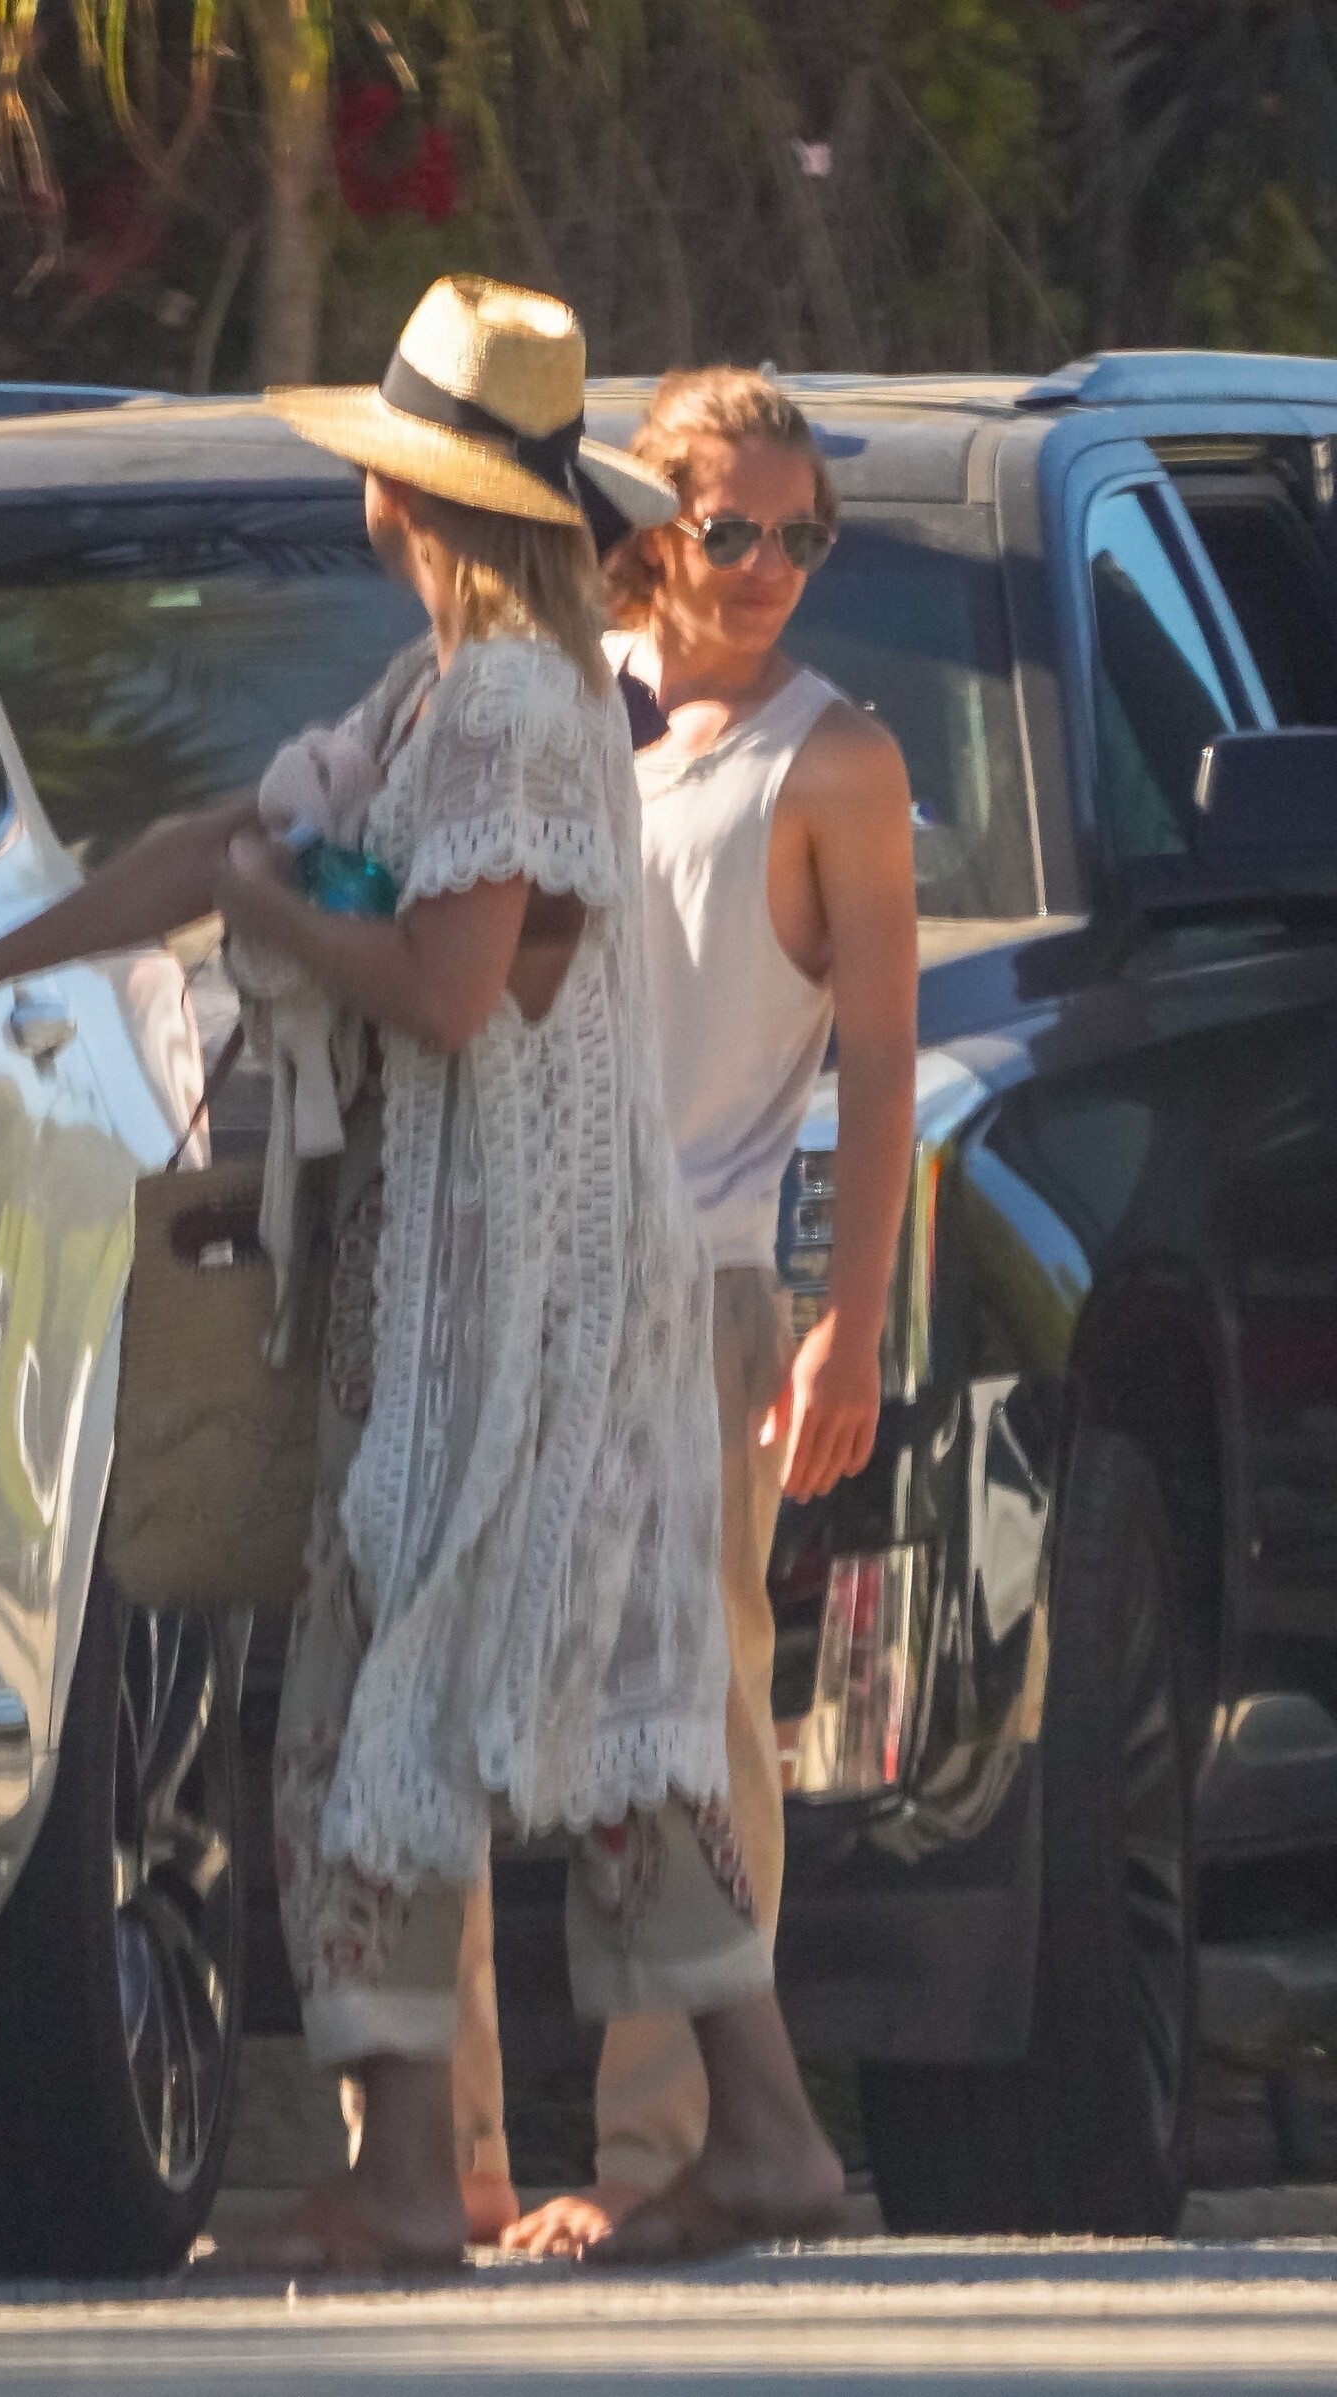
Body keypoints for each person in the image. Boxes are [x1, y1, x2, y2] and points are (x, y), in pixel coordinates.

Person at [0, 277, 846, 2273]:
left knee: (385, 1708)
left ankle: (407, 2174)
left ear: (415, 500)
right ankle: (762, 2135)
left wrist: (264, 913)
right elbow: (218, 837)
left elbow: (449, 990)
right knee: (605, 1711)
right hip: (511, 1269)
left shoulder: (510, 705)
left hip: (520, 1283)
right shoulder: (440, 698)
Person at [495, 367, 919, 2256]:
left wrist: (850, 1321)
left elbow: (884, 1063)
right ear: (652, 527)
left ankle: (669, 2145)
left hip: (713, 1282)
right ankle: (441, 2155)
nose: (767, 569)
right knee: (490, 1701)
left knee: (697, 1707)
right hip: (530, 1278)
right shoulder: (581, 711)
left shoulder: (837, 760)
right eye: (730, 529)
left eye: (800, 535)